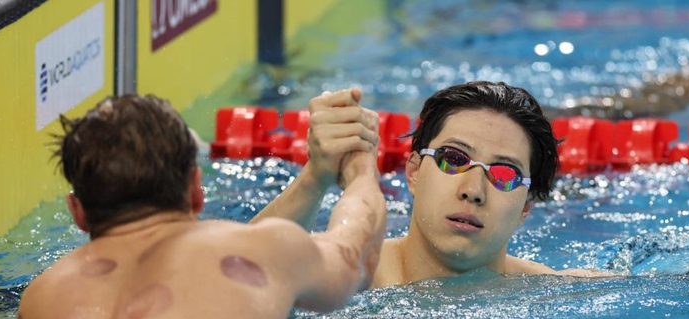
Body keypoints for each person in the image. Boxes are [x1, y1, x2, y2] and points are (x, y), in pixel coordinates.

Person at [12, 93, 441, 319]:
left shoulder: (41, 293)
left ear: (78, 212)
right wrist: (362, 167)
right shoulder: (256, 248)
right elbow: (357, 255)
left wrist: (315, 175)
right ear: (196, 189)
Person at [253, 81, 605, 287]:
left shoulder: (554, 291)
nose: (473, 190)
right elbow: (233, 276)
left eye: (504, 174)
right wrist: (317, 176)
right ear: (414, 172)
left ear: (525, 210)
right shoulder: (349, 276)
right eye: (453, 159)